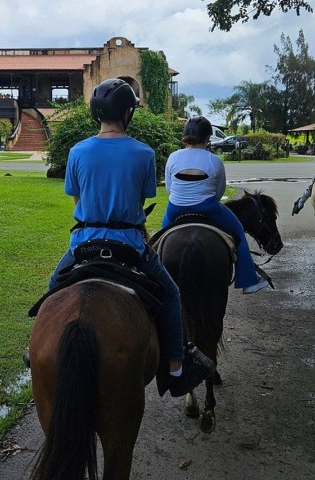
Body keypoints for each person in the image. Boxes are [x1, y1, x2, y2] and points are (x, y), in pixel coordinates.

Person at [48, 78, 212, 397]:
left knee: (54, 288)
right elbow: (140, 201)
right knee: (171, 294)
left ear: (97, 113)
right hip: (131, 246)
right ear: (126, 113)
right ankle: (177, 367)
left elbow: (77, 202)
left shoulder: (77, 151)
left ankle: (35, 350)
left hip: (83, 245)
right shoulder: (143, 153)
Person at [162, 116, 271, 294]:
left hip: (176, 208)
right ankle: (248, 281)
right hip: (207, 207)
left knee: (160, 238)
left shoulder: (173, 157)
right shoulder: (215, 160)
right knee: (238, 234)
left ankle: (158, 280)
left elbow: (169, 188)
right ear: (207, 139)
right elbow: (219, 192)